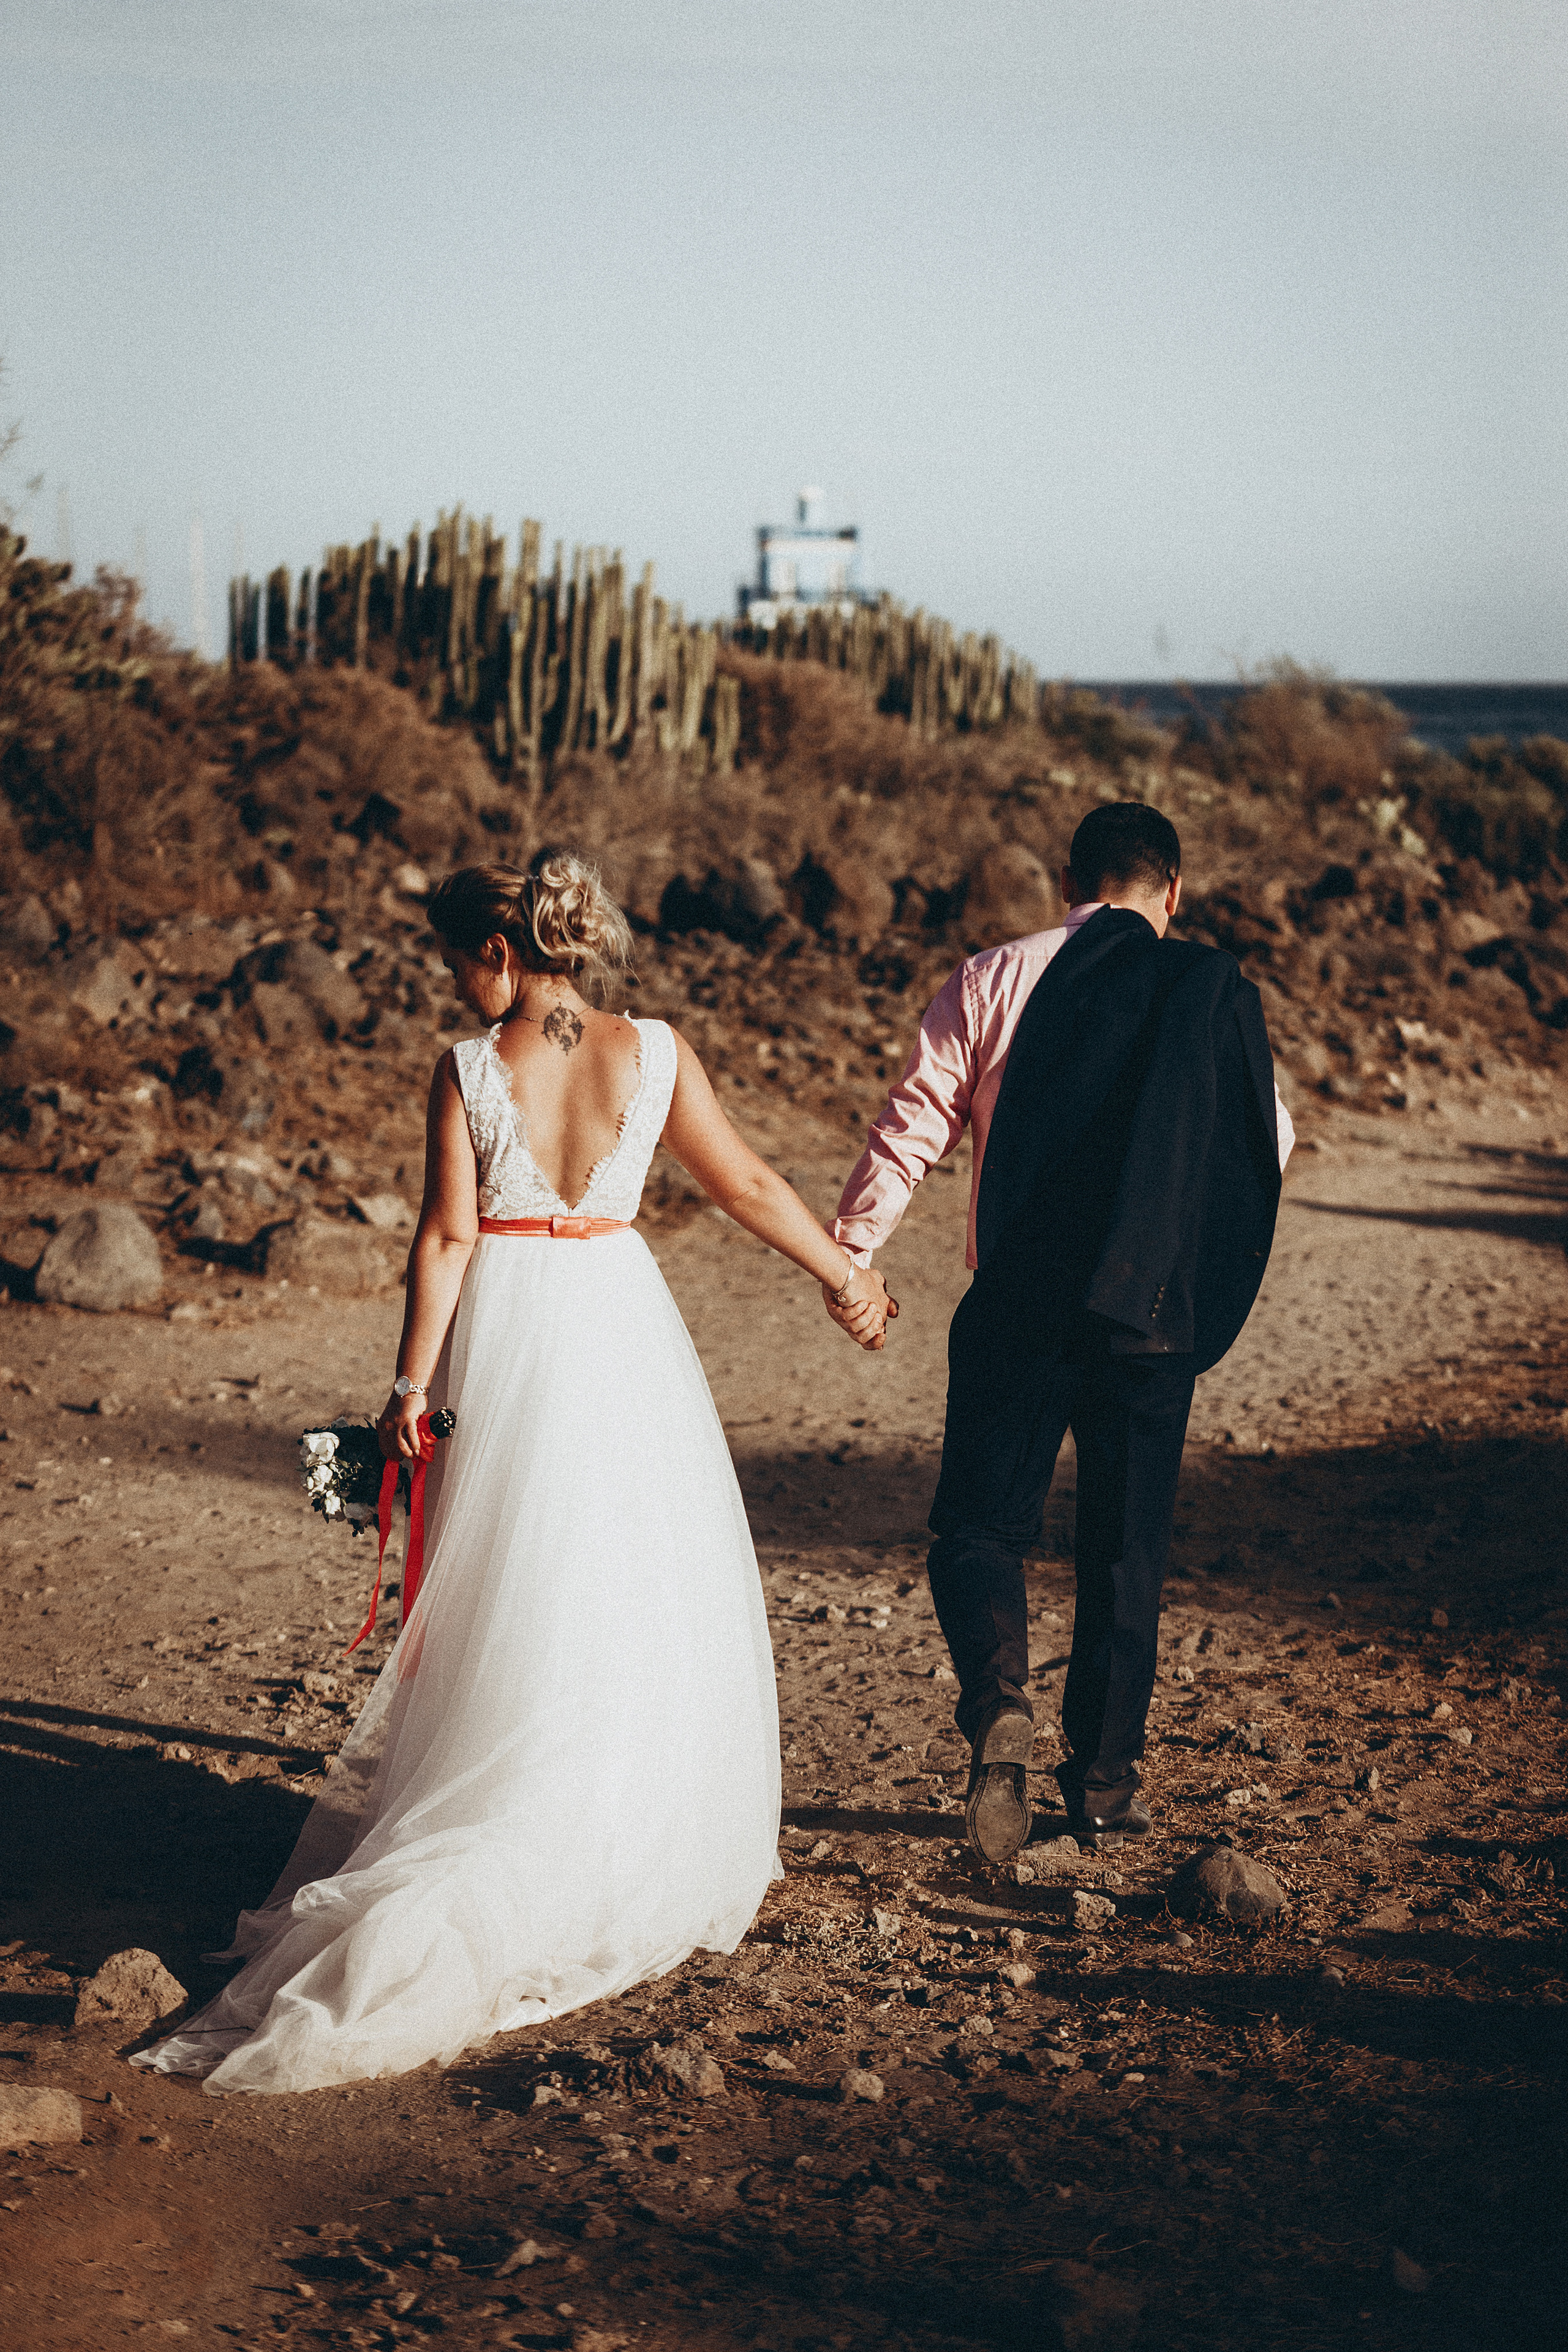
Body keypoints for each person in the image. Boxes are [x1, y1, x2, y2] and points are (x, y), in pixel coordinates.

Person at [135, 853, 891, 2094]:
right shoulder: (656, 1051)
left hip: (515, 1329)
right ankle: (623, 1815)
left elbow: (446, 1236)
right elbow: (747, 1183)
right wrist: (844, 1278)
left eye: (457, 963)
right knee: (627, 1568)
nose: (456, 986)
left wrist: (408, 1391)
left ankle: (502, 1802)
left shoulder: (472, 1067)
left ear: (498, 953)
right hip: (619, 1318)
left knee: (519, 1575)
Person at [824, 804, 1294, 1863]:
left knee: (980, 1529)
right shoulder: (1206, 990)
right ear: (1175, 891)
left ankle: (1000, 1700)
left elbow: (913, 1122)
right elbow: (1267, 1141)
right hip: (1150, 1316)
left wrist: (853, 1255)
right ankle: (1105, 1789)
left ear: (1070, 883)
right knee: (1125, 1551)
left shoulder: (995, 976)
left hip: (1019, 1304)